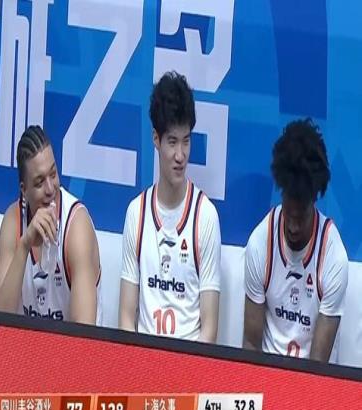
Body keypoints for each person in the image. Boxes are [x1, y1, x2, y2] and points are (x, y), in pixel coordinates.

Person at [119, 71, 221, 342]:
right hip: (143, 361)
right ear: (156, 139)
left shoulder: (205, 217)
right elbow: (126, 319)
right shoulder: (136, 213)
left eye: (186, 141)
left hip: (190, 361)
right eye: (172, 142)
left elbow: (209, 330)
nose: (180, 155)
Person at [244, 119, 348, 361]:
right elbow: (250, 345)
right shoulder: (260, 242)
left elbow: (318, 364)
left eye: (300, 218)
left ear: (314, 201)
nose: (292, 226)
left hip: (311, 377)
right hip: (267, 373)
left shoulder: (334, 258)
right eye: (288, 215)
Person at [0, 125, 101, 324]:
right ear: (24, 190)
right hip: (24, 342)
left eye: (53, 174)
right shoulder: (13, 222)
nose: (50, 189)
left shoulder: (77, 226)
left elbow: (84, 333)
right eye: (39, 182)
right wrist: (24, 245)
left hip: (71, 342)